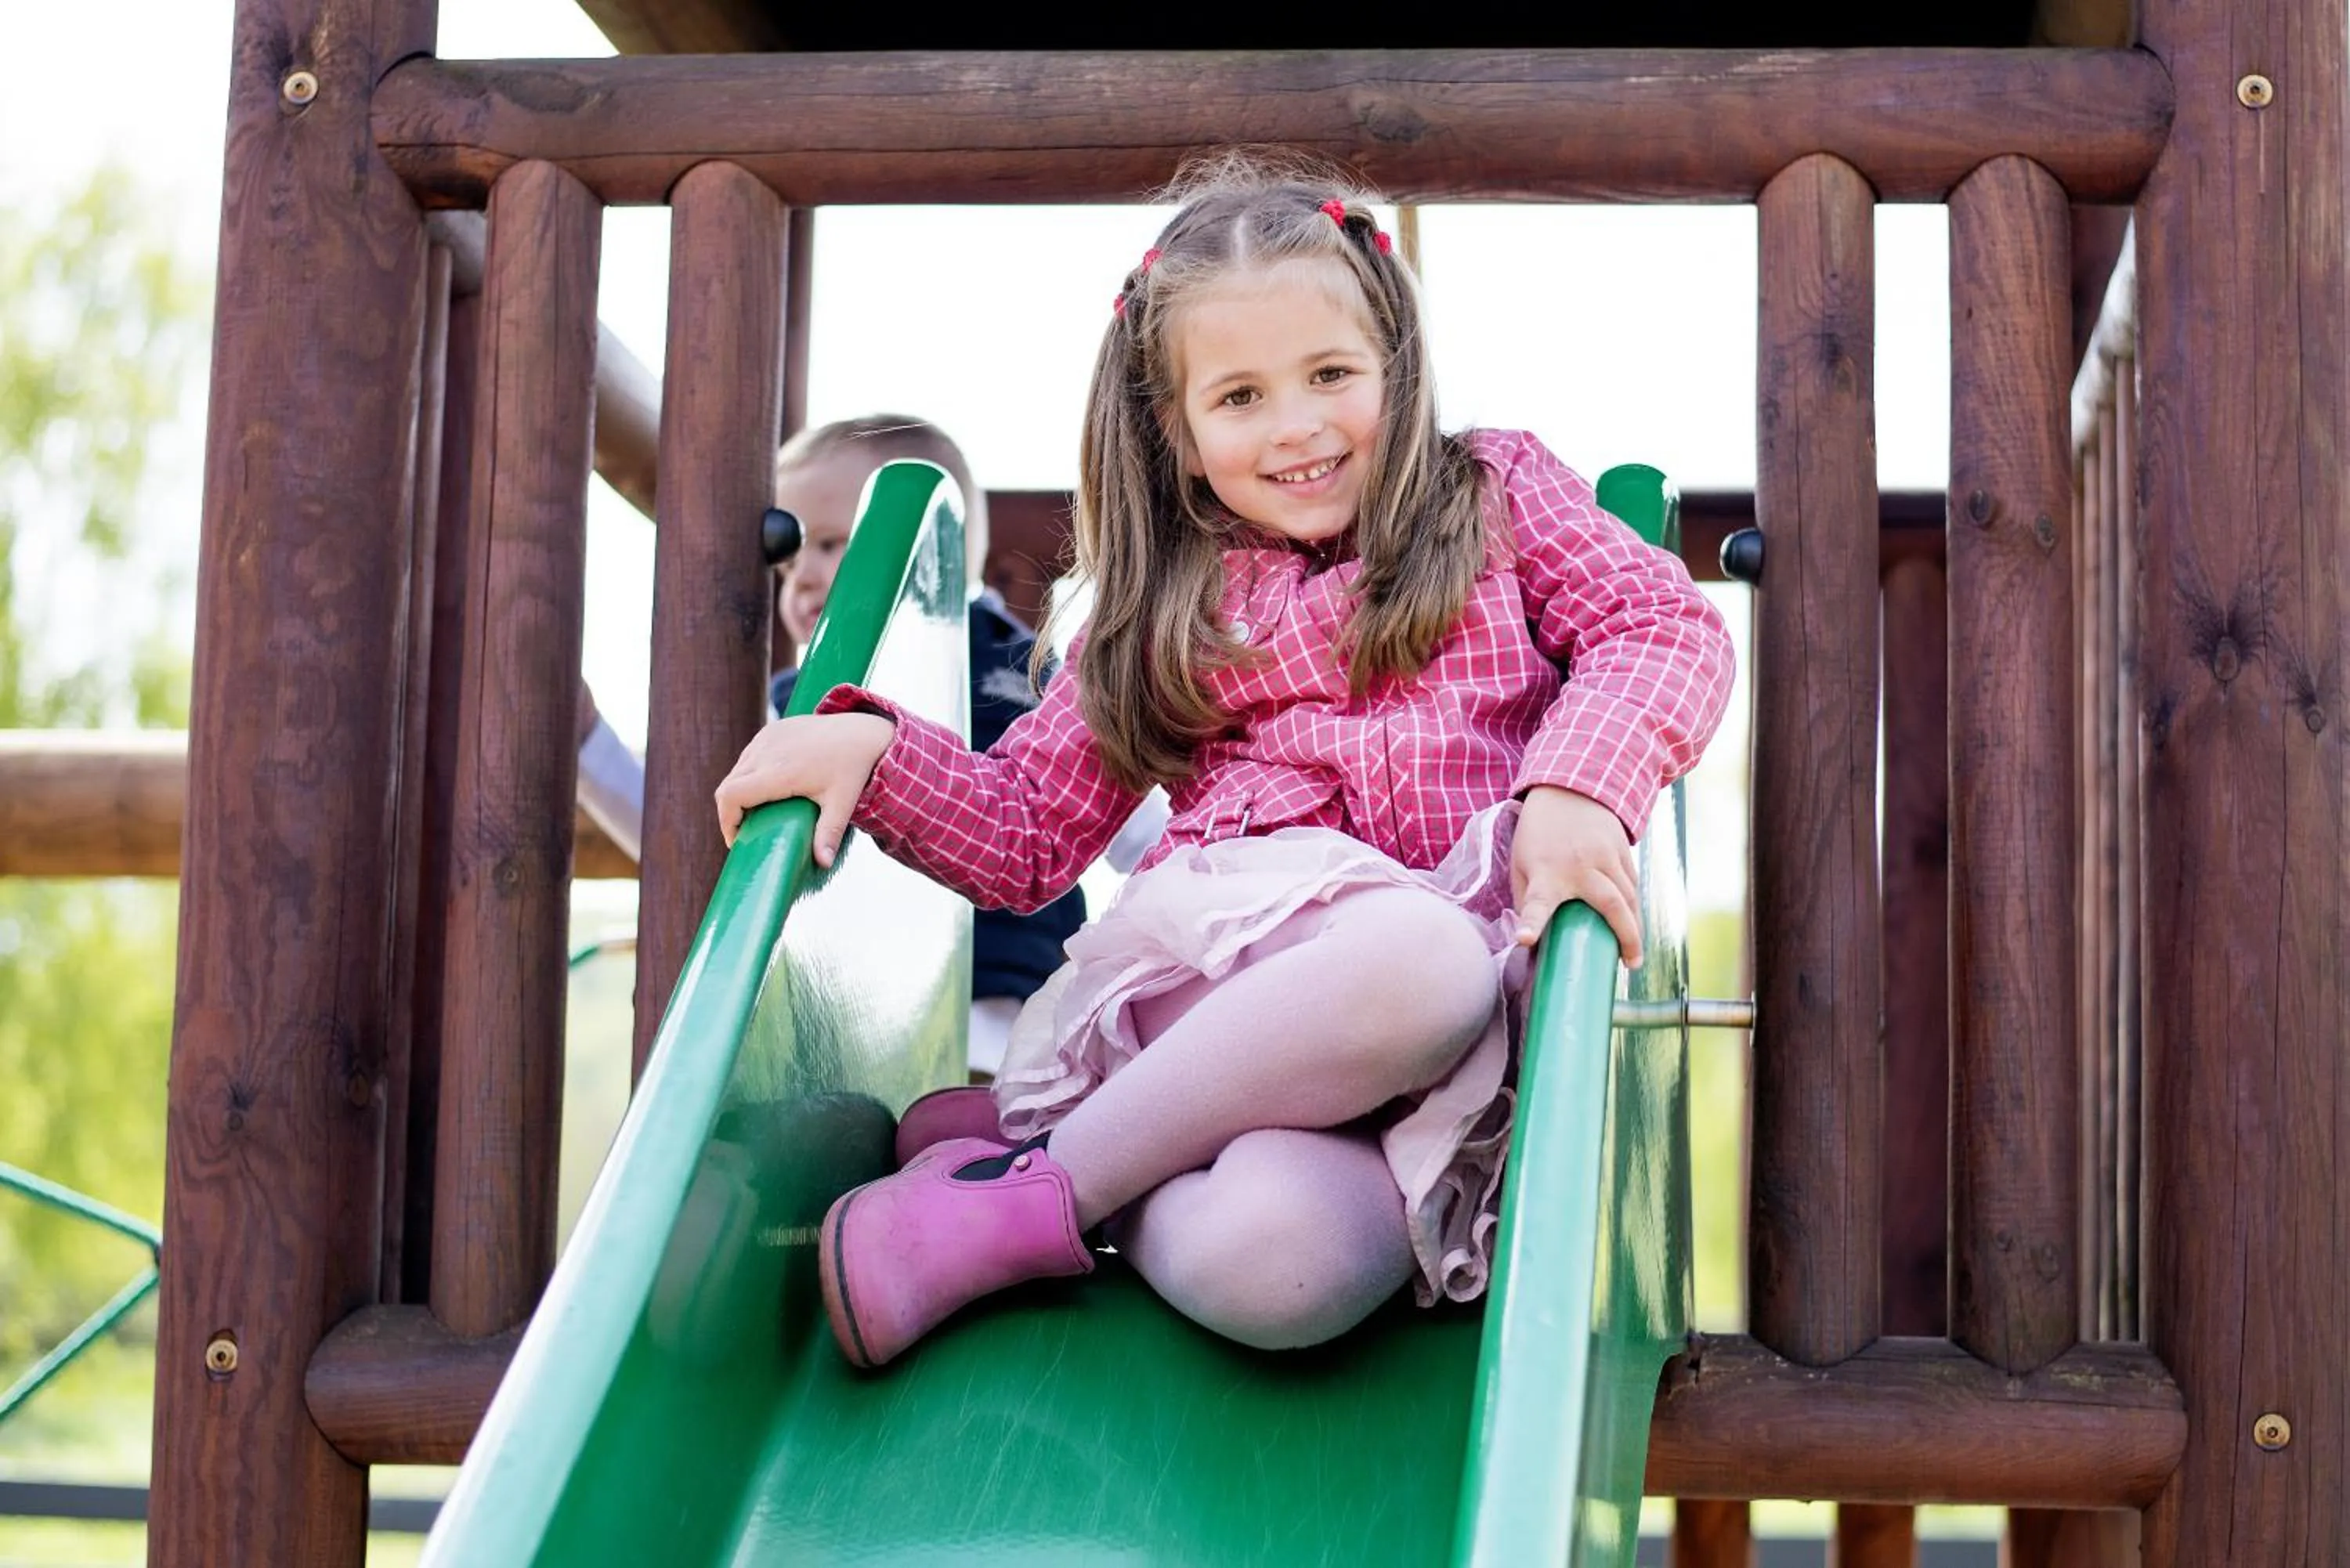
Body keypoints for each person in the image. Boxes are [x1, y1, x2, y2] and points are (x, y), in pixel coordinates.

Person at [714, 157, 1736, 1370]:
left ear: (1395, 367)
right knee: (1423, 959)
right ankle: (1031, 1194)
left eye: (1331, 375)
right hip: (1243, 980)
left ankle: (1057, 1158)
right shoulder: (1168, 603)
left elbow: (1658, 624)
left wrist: (1576, 789)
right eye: (1241, 395)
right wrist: (875, 750)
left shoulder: (1495, 494)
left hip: (1427, 1078)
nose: (1298, 424)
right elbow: (1029, 827)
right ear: (1180, 435)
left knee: (1282, 1263)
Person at [766, 416, 1166, 1079]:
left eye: (831, 543)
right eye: (788, 560)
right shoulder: (795, 703)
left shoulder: (1024, 670)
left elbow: (1141, 826)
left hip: (1009, 1008)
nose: (801, 576)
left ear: (940, 553)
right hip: (845, 1017)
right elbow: (705, 832)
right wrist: (592, 743)